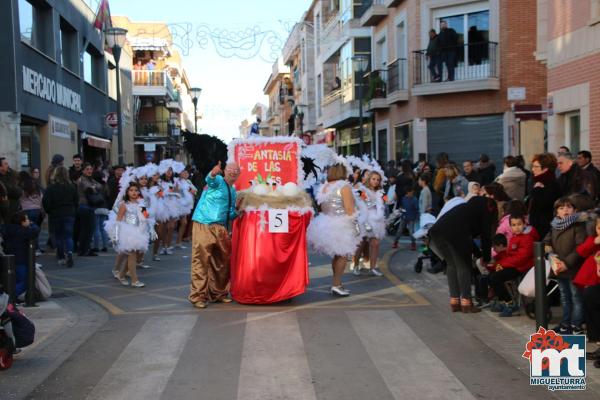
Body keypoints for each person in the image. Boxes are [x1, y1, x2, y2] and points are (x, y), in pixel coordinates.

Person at [428, 196, 498, 313]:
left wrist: (479, 254)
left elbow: (468, 239)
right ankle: (466, 303)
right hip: (454, 235)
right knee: (463, 267)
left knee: (451, 265)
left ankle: (454, 302)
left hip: (437, 232)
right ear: (490, 207)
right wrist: (485, 257)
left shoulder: (463, 209)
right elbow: (486, 237)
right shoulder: (484, 212)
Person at [188, 162, 240, 309]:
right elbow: (209, 180)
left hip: (221, 228)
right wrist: (212, 173)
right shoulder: (218, 181)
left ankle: (219, 293)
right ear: (224, 171)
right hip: (204, 223)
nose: (233, 172)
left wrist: (238, 211)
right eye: (231, 169)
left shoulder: (233, 190)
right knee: (201, 260)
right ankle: (198, 296)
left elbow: (229, 213)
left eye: (236, 170)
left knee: (222, 262)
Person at [308, 162, 360, 297]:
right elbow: (349, 210)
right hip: (341, 224)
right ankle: (336, 285)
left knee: (337, 255)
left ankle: (337, 283)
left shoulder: (324, 186)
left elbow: (322, 208)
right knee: (343, 255)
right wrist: (356, 226)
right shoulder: (344, 186)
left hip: (326, 223)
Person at [544, 197, 587, 334]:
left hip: (573, 268)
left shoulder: (578, 226)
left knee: (576, 297)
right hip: (558, 268)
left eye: (569, 207)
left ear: (575, 210)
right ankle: (565, 323)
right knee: (564, 296)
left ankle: (576, 325)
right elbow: (547, 240)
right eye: (561, 208)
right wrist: (548, 249)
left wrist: (567, 263)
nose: (565, 210)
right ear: (557, 212)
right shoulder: (554, 225)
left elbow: (579, 248)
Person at [488, 214, 538, 317]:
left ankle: (509, 304)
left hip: (521, 267)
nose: (517, 227)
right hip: (515, 266)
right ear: (510, 226)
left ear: (524, 224)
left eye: (519, 224)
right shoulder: (514, 238)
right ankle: (503, 301)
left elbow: (521, 258)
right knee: (492, 275)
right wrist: (497, 262)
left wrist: (501, 264)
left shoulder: (527, 238)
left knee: (496, 277)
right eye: (514, 225)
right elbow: (510, 255)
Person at [113, 183, 152, 288]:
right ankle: (135, 280)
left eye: (136, 190)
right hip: (128, 233)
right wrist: (115, 236)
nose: (134, 192)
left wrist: (151, 231)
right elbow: (118, 221)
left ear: (139, 192)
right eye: (131, 190)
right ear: (127, 192)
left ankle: (121, 275)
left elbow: (146, 219)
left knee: (132, 256)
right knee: (132, 256)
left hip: (139, 233)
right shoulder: (124, 205)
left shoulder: (142, 205)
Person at [43, 166, 78, 267]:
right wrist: (74, 210)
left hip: (56, 214)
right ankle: (70, 253)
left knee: (59, 237)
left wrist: (49, 211)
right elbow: (76, 201)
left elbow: (46, 202)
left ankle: (62, 257)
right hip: (69, 213)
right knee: (68, 236)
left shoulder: (51, 187)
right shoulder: (71, 187)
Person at [353, 171, 386, 276]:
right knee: (361, 244)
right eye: (373, 179)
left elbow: (387, 201)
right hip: (365, 218)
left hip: (377, 221)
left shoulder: (380, 191)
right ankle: (356, 265)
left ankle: (373, 267)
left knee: (375, 244)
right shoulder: (363, 190)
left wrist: (383, 198)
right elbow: (361, 204)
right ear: (369, 179)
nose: (376, 181)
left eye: (378, 179)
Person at [0, 212, 39, 297]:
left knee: (14, 280)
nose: (28, 221)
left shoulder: (8, 228)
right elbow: (35, 231)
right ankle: (10, 298)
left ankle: (10, 297)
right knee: (26, 282)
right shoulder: (21, 231)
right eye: (27, 219)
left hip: (10, 258)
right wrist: (33, 224)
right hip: (20, 259)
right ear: (22, 222)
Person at [528, 153, 561, 239]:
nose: (533, 169)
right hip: (537, 226)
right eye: (533, 166)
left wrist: (537, 190)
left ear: (545, 169)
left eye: (536, 167)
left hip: (545, 228)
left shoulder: (552, 184)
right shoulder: (537, 182)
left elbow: (544, 203)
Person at [76, 163, 103, 257]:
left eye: (91, 169)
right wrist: (94, 188)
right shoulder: (82, 180)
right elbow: (89, 189)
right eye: (87, 169)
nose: (89, 171)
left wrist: (94, 187)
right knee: (86, 229)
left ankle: (85, 249)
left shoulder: (90, 179)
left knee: (89, 229)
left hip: (89, 206)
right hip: (84, 206)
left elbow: (100, 186)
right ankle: (84, 250)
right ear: (83, 171)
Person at [19, 172, 44, 253]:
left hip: (26, 210)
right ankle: (36, 248)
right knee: (35, 229)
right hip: (37, 210)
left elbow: (19, 199)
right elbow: (41, 197)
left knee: (27, 230)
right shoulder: (36, 186)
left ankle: (30, 248)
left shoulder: (21, 187)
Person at [394, 186, 419, 251]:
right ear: (407, 193)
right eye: (409, 193)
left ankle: (413, 244)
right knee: (399, 231)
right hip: (404, 217)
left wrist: (417, 218)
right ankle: (395, 242)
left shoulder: (415, 199)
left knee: (411, 232)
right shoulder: (403, 198)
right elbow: (401, 207)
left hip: (412, 218)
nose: (410, 194)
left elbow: (417, 209)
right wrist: (401, 210)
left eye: (411, 193)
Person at [91, 170, 109, 253]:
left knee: (96, 228)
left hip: (96, 207)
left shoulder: (95, 186)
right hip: (105, 208)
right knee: (103, 228)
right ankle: (105, 246)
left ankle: (96, 246)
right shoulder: (105, 185)